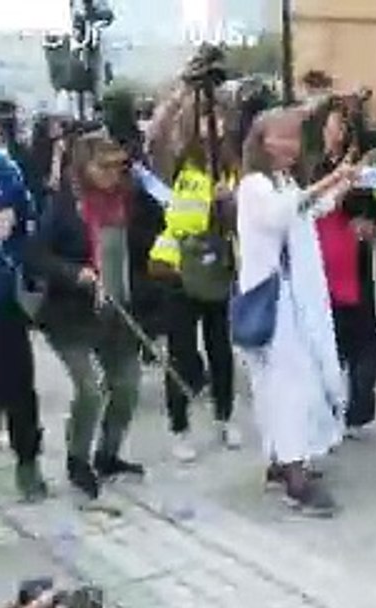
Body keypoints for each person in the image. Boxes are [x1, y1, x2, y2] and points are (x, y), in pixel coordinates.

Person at [236, 108, 355, 517]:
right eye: (280, 137)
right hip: (276, 302)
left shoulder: (282, 181)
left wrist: (341, 186)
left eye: (293, 137)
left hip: (295, 301)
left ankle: (283, 461)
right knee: (288, 387)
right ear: (260, 141)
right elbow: (279, 215)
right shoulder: (253, 185)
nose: (289, 145)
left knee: (289, 384)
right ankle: (293, 477)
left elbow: (306, 212)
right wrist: (330, 180)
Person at [28, 134, 147, 509]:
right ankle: (77, 459)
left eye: (117, 166)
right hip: (71, 315)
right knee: (90, 389)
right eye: (104, 166)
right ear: (83, 166)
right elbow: (36, 256)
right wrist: (74, 273)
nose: (113, 173)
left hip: (119, 309)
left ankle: (107, 454)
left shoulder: (129, 200)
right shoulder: (63, 206)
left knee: (127, 385)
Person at [146, 103, 242, 462]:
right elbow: (156, 135)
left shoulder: (232, 168)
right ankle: (179, 426)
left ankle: (224, 416)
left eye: (218, 119)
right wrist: (181, 96)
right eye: (205, 119)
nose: (212, 126)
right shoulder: (177, 161)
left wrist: (227, 203)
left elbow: (239, 219)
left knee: (220, 349)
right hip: (177, 269)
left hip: (216, 267)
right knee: (181, 352)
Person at [0, 99, 47, 501]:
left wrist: (16, 259)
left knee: (20, 385)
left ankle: (28, 462)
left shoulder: (5, 173)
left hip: (1, 297)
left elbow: (27, 226)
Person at [311, 100, 376, 436]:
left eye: (343, 126)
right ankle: (328, 409)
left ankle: (358, 408)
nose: (337, 132)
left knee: (363, 341)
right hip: (320, 264)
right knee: (329, 342)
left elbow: (372, 212)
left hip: (353, 263)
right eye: (333, 125)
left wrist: (369, 224)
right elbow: (314, 203)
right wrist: (344, 179)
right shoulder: (312, 167)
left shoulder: (363, 168)